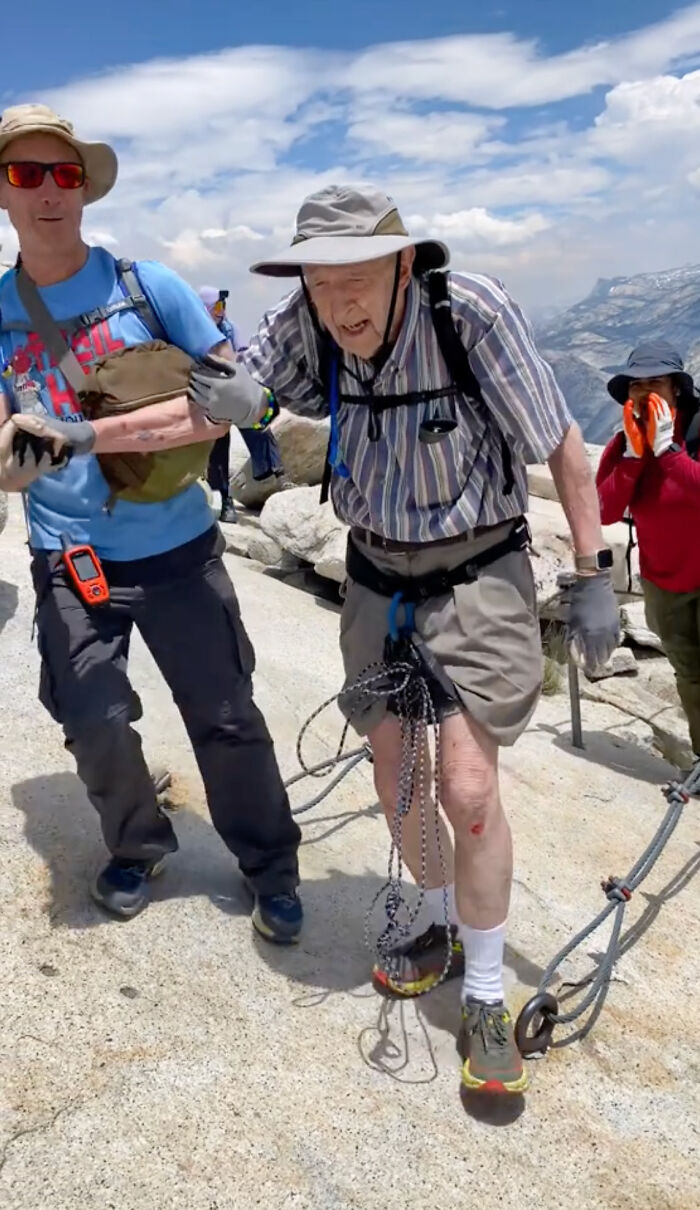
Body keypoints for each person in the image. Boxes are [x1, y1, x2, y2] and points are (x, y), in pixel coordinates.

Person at [231, 184, 619, 1096]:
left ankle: (484, 992)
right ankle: (437, 921)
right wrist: (235, 398)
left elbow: (560, 444)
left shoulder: (469, 313)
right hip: (373, 572)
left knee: (468, 786)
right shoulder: (314, 314)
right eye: (321, 285)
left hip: (478, 571)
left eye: (357, 280)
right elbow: (246, 380)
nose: (340, 305)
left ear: (406, 262)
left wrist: (594, 574)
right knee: (393, 770)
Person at [0, 103, 302, 942]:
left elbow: (225, 409)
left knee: (226, 715)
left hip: (176, 547)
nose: (48, 191)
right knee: (91, 718)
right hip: (70, 557)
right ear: (3, 191)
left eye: (63, 173)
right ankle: (139, 842)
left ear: (85, 187)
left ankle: (269, 864)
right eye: (26, 174)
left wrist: (90, 434)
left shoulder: (148, 287)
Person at [596, 342, 700, 792]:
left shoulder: (695, 431)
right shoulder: (624, 443)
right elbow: (603, 508)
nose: (643, 393)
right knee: (689, 671)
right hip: (665, 580)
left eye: (654, 382)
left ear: (676, 388)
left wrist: (670, 452)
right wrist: (637, 458)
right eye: (636, 384)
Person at [197, 285, 288, 523]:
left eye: (223, 305)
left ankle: (275, 477)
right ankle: (224, 500)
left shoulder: (230, 329)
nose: (221, 311)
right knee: (219, 446)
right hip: (210, 401)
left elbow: (247, 356)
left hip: (234, 394)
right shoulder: (194, 331)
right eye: (217, 305)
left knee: (259, 424)